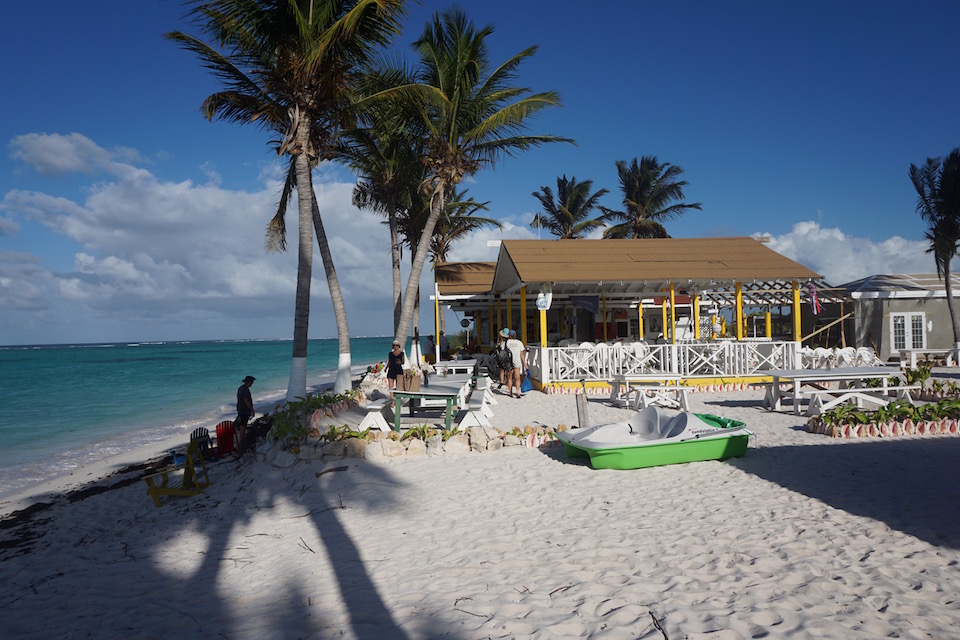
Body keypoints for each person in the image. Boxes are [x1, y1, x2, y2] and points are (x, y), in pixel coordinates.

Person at [506, 329, 527, 398]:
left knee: (509, 377)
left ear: (509, 336)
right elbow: (522, 354)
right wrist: (525, 363)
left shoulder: (507, 343)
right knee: (517, 377)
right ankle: (518, 392)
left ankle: (511, 393)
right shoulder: (519, 342)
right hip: (517, 361)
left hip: (509, 362)